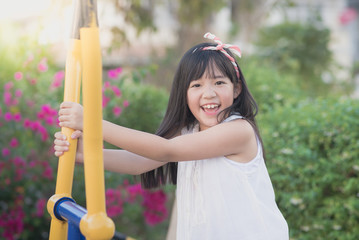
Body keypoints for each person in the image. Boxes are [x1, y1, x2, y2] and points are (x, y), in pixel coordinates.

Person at [54, 32, 289, 240]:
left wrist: (92, 123)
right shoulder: (188, 132)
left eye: (219, 82)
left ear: (236, 89)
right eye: (196, 85)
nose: (209, 94)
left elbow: (166, 150)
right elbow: (138, 163)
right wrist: (87, 154)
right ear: (184, 94)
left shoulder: (238, 130)